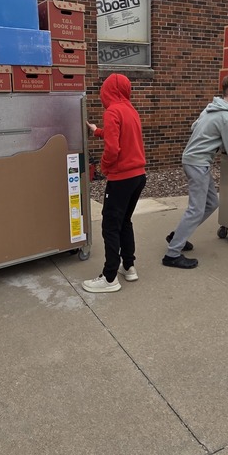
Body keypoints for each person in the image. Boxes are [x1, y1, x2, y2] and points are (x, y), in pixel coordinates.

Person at [163, 73, 228, 269]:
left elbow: (195, 128)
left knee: (212, 202)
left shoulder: (210, 108)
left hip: (195, 161)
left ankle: (178, 236)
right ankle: (172, 254)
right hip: (198, 163)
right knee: (196, 208)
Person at [83, 73, 147, 293]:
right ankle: (128, 267)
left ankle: (109, 277)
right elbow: (120, 136)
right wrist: (96, 131)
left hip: (121, 179)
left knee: (110, 225)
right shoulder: (131, 110)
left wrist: (104, 167)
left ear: (107, 91)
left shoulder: (112, 111)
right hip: (138, 177)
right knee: (125, 221)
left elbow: (113, 149)